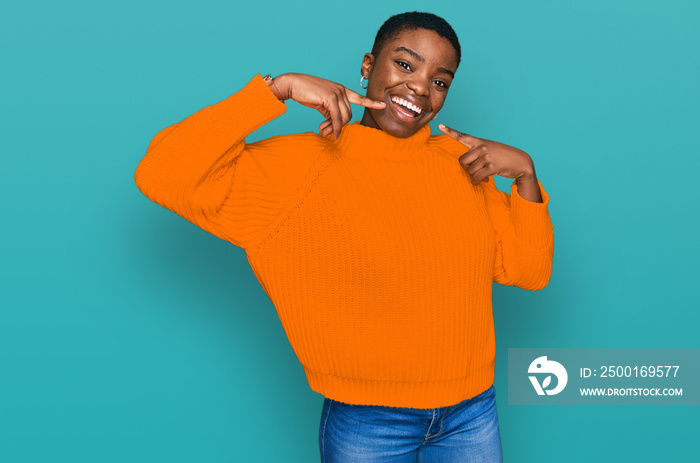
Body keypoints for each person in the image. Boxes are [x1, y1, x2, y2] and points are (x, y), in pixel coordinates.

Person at [134, 11, 553, 463]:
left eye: (440, 81)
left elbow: (528, 271)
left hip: (472, 412)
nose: (419, 88)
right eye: (406, 65)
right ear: (368, 65)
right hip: (370, 423)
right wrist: (277, 89)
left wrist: (525, 175)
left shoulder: (462, 163)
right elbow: (161, 174)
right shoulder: (303, 167)